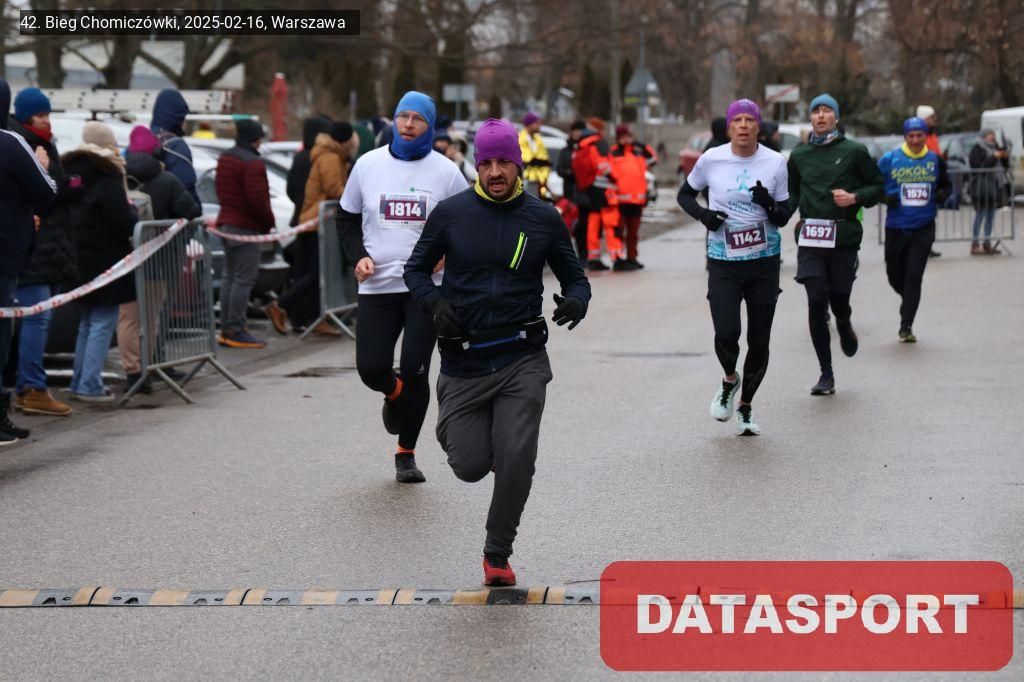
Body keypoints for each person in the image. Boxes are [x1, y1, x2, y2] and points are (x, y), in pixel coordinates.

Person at [403, 118, 591, 585]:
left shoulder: (543, 218)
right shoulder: (451, 214)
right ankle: (478, 442)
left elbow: (576, 278)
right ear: (476, 166)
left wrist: (577, 299)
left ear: (518, 164)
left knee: (516, 458)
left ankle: (497, 553)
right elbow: (415, 271)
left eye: (504, 162)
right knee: (468, 465)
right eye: (486, 163)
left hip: (521, 357)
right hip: (463, 361)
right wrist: (434, 303)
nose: (495, 172)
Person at [336, 91, 466, 483]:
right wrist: (358, 255)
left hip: (426, 288)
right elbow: (346, 218)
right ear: (394, 120)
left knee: (415, 368)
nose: (408, 125)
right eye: (402, 116)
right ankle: (394, 393)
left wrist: (449, 255)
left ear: (430, 126)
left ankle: (405, 453)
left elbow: (468, 223)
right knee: (371, 368)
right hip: (378, 284)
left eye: (417, 119)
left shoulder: (446, 172)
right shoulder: (367, 165)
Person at [677, 99, 792, 436]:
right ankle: (730, 378)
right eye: (737, 120)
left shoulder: (775, 162)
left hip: (764, 262)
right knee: (727, 333)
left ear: (758, 126)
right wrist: (705, 216)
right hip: (723, 261)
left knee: (759, 340)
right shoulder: (712, 159)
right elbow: (685, 195)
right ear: (729, 127)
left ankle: (745, 406)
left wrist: (768, 204)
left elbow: (783, 216)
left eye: (749, 120)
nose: (743, 125)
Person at [787, 93, 884, 396]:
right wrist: (775, 212)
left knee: (839, 299)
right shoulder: (800, 156)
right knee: (816, 299)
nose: (820, 115)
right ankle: (826, 373)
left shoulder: (854, 151)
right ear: (810, 118)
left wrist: (855, 198)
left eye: (827, 110)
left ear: (836, 118)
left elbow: (878, 187)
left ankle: (843, 320)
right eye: (815, 111)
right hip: (811, 239)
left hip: (842, 238)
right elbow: (792, 195)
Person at [8, 87, 78, 417]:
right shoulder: (21, 144)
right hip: (34, 246)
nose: (46, 121)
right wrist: (46, 173)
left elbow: (57, 190)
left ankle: (27, 386)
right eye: (40, 115)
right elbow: (42, 194)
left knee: (37, 319)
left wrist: (70, 185)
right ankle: (31, 387)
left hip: (49, 247)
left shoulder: (44, 143)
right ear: (25, 116)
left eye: (48, 114)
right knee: (37, 319)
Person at [119, 125, 201, 392]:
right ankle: (148, 368)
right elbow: (191, 210)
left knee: (128, 319)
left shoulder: (120, 179)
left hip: (126, 262)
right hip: (160, 261)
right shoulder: (168, 180)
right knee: (152, 317)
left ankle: (132, 370)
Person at [62, 122, 137, 403]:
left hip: (76, 257)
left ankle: (79, 381)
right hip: (105, 260)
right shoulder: (108, 177)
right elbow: (122, 222)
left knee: (87, 323)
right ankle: (89, 385)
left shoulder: (68, 173)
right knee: (103, 322)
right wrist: (133, 216)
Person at [0, 78, 57, 443]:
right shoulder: (10, 142)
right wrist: (42, 165)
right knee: (0, 334)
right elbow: (47, 192)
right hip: (4, 253)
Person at [267, 121, 354, 336]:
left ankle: (315, 317)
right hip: (317, 223)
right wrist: (356, 195)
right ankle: (280, 304)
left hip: (316, 222)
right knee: (316, 275)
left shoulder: (329, 155)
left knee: (317, 275)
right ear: (345, 140)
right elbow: (334, 189)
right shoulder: (330, 157)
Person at [878, 117, 951, 344]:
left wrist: (942, 195)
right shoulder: (890, 159)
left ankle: (906, 325)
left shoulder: (935, 160)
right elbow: (873, 185)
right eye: (911, 136)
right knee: (894, 276)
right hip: (896, 227)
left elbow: (947, 185)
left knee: (914, 275)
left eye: (920, 135)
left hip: (923, 227)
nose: (916, 140)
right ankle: (909, 298)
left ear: (925, 136)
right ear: (905, 137)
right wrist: (884, 197)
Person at [214, 120, 275, 349]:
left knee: (230, 277)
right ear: (256, 139)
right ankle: (236, 329)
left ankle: (227, 328)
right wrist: (268, 224)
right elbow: (258, 200)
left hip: (226, 223)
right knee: (243, 279)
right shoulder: (252, 163)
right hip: (245, 227)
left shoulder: (225, 157)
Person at [573, 117, 623, 270]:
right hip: (604, 188)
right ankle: (616, 257)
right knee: (611, 222)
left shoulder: (583, 143)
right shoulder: (599, 143)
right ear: (599, 129)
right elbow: (603, 165)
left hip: (591, 188)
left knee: (593, 223)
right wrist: (615, 178)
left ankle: (593, 257)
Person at [609, 124, 658, 271]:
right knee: (618, 232)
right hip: (620, 200)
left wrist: (641, 145)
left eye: (629, 136)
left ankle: (632, 257)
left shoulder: (638, 152)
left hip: (637, 200)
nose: (627, 139)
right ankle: (618, 259)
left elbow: (653, 158)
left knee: (633, 233)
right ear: (618, 138)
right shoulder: (613, 152)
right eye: (623, 136)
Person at [150, 89, 199, 206]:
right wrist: (196, 208)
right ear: (178, 117)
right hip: (170, 214)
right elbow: (186, 187)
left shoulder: (145, 139)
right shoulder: (176, 146)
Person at [968, 128, 1009, 256]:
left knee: (991, 215)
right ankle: (975, 244)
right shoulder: (977, 149)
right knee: (980, 214)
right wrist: (994, 157)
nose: (992, 137)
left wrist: (1004, 157)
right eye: (989, 134)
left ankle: (987, 243)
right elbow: (979, 167)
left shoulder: (996, 147)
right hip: (981, 187)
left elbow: (1004, 167)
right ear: (984, 136)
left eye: (993, 134)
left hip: (994, 186)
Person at [916, 105, 944, 258]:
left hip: (934, 178)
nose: (935, 120)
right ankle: (921, 246)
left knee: (930, 215)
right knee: (922, 214)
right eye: (932, 118)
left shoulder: (933, 135)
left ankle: (927, 245)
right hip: (924, 178)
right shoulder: (921, 136)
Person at [518, 112, 550, 197]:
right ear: (529, 124)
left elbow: (544, 159)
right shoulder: (520, 139)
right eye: (536, 123)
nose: (539, 125)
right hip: (525, 181)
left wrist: (543, 179)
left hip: (538, 182)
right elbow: (526, 159)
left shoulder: (538, 140)